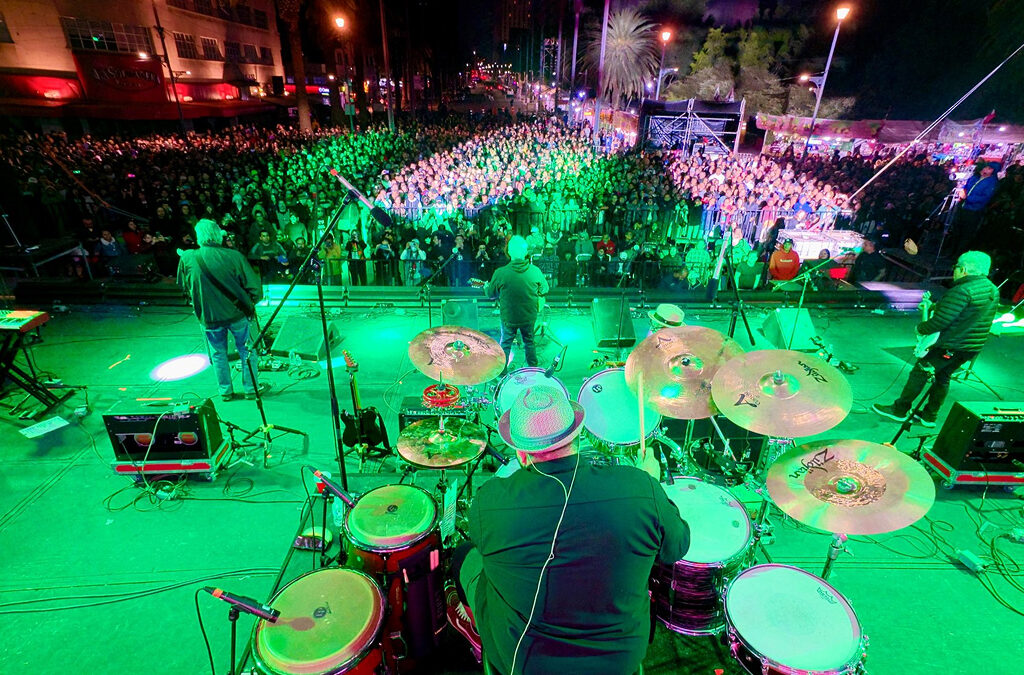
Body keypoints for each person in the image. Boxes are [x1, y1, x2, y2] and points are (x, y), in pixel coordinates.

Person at [448, 386, 690, 675]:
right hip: (618, 660)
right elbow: (677, 546)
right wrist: (653, 485)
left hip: (522, 662)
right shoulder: (640, 487)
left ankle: (474, 625)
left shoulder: (489, 501)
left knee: (465, 556)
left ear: (522, 454)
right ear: (577, 436)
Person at [873, 251, 999, 427]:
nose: (954, 271)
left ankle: (899, 410)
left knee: (920, 372)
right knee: (943, 377)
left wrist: (920, 328)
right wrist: (932, 306)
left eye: (955, 267)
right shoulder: (992, 289)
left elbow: (940, 321)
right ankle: (929, 416)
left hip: (950, 346)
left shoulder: (962, 290)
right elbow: (964, 313)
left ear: (963, 269)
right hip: (971, 348)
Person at [177, 219, 262, 402]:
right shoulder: (233, 256)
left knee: (218, 353)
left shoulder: (188, 258)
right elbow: (255, 289)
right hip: (236, 314)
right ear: (218, 235)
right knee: (247, 351)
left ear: (198, 236)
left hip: (209, 318)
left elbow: (184, 287)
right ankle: (250, 389)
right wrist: (249, 304)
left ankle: (225, 392)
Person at [484, 235, 549, 371]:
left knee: (506, 343)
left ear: (509, 252)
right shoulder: (535, 271)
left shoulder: (500, 273)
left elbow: (491, 295)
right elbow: (545, 289)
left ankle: (502, 373)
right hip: (528, 316)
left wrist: (486, 287)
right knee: (529, 342)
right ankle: (533, 369)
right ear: (526, 252)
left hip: (509, 317)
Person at [949, 161, 1000, 256]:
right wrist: (962, 191)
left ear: (991, 171)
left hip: (973, 211)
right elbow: (966, 186)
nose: (984, 169)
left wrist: (967, 197)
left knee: (966, 233)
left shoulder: (992, 183)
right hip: (963, 207)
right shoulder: (975, 177)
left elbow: (985, 198)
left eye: (987, 168)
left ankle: (958, 255)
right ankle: (951, 251)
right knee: (956, 230)